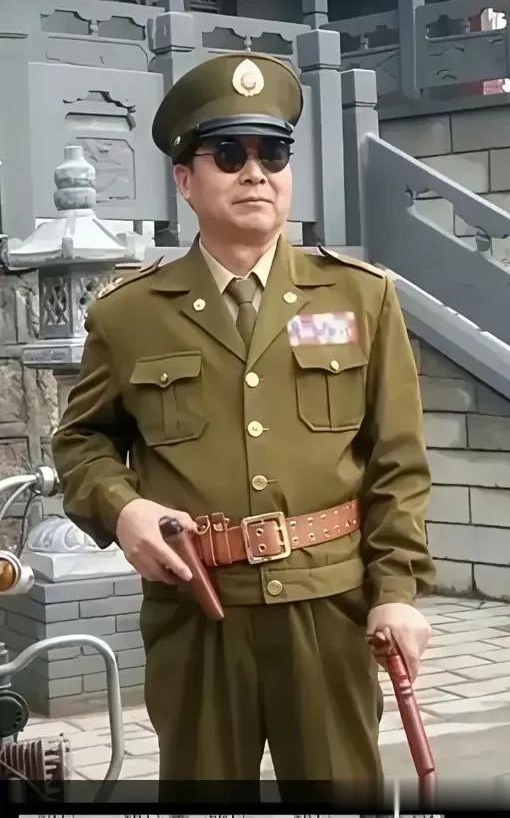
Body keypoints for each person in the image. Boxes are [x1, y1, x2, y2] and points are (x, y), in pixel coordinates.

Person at [52, 51, 435, 800]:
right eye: (229, 154)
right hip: (198, 611)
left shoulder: (360, 298)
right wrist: (123, 509)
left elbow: (397, 462)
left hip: (328, 608)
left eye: (273, 154)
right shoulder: (129, 314)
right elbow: (81, 441)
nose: (255, 173)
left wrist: (396, 590)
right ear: (185, 180)